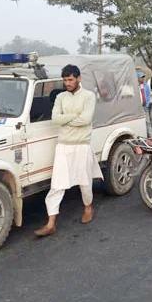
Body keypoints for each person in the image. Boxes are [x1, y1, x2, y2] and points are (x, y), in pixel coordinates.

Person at [35, 65, 103, 237]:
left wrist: (66, 119)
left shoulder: (88, 96)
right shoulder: (60, 97)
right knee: (57, 185)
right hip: (63, 146)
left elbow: (86, 119)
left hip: (81, 146)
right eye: (65, 80)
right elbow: (55, 119)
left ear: (79, 78)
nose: (67, 83)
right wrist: (75, 117)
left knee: (85, 182)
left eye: (70, 79)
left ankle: (88, 207)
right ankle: (51, 223)